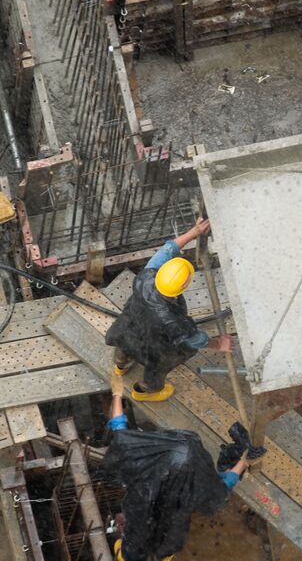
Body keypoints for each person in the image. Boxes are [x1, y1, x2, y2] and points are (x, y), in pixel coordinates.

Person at [104, 374, 248, 561]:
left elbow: (119, 429)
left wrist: (116, 395)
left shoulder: (141, 463)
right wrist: (244, 461)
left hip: (136, 539)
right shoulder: (193, 486)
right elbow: (223, 485)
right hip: (167, 538)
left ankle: (126, 553)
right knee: (160, 551)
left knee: (129, 554)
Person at [105, 218, 233, 402]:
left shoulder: (146, 276)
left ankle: (120, 367)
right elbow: (194, 339)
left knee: (123, 346)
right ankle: (145, 391)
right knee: (155, 369)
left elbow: (167, 249)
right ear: (183, 287)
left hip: (128, 328)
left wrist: (194, 231)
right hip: (154, 346)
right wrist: (219, 344)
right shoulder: (173, 321)